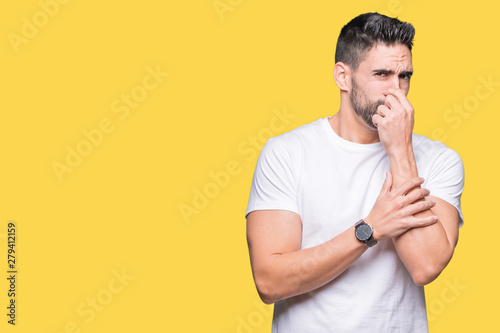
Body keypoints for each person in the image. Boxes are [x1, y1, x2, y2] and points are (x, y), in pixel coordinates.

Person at [245, 12, 464, 332]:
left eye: (405, 76)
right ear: (343, 77)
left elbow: (425, 266)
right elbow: (270, 281)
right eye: (382, 74)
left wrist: (399, 151)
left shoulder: (438, 159)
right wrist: (370, 229)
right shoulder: (287, 153)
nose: (397, 91)